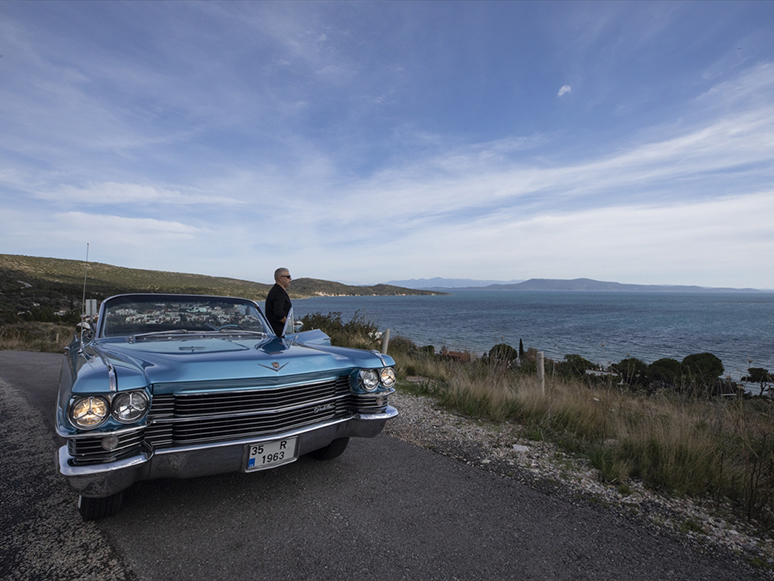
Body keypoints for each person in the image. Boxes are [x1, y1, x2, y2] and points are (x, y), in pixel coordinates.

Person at [265, 267, 292, 336]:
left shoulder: (276, 290)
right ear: (280, 278)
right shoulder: (279, 293)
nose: (290, 279)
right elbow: (278, 312)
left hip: (273, 332)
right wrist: (289, 324)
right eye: (288, 277)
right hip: (279, 333)